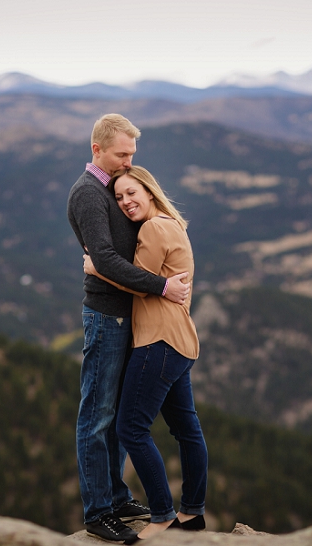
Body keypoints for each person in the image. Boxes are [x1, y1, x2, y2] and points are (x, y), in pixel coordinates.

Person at [66, 114, 191, 543]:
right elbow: (103, 259)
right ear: (97, 149)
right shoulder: (87, 193)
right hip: (107, 316)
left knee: (117, 414)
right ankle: (98, 511)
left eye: (132, 155)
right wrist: (161, 286)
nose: (128, 161)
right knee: (97, 415)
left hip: (129, 316)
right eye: (122, 154)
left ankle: (117, 498)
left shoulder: (109, 187)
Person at [84, 166, 207, 543]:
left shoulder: (154, 229)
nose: (125, 202)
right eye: (119, 198)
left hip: (158, 341)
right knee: (186, 429)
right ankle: (193, 511)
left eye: (131, 193)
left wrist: (96, 267)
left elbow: (138, 281)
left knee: (130, 429)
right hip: (181, 341)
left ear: (150, 190)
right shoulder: (173, 224)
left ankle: (163, 515)